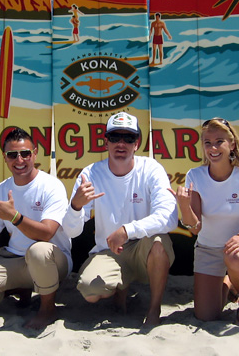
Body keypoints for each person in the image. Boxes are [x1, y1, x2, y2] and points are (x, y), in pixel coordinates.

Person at [63, 112, 178, 326]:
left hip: (144, 247)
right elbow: (71, 232)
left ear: (138, 143)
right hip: (109, 250)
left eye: (129, 138)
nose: (121, 143)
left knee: (160, 244)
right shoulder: (91, 174)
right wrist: (75, 206)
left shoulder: (151, 169)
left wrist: (127, 231)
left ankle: (154, 310)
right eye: (115, 137)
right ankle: (121, 288)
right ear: (105, 142)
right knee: (90, 290)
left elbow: (169, 218)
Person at [0, 127, 72, 330]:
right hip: (14, 258)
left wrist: (15, 217)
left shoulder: (51, 186)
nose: (19, 160)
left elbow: (47, 233)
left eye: (25, 153)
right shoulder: (0, 189)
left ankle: (47, 309)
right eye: (12, 155)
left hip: (52, 260)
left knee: (38, 250)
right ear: (5, 158)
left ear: (35, 153)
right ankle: (20, 288)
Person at [172, 117, 239, 327]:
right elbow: (196, 227)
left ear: (232, 144)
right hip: (208, 248)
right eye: (207, 142)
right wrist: (184, 205)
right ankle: (230, 283)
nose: (213, 148)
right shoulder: (195, 175)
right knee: (206, 316)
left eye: (219, 141)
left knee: (235, 257)